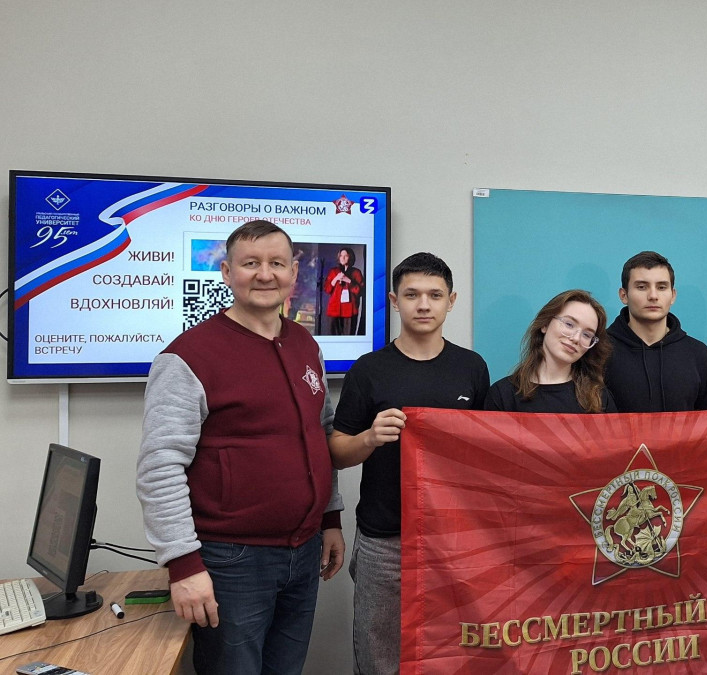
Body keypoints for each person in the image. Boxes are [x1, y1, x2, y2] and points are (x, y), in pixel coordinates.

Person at [137, 220, 345, 675]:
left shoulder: (305, 344)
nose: (265, 274)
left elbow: (320, 434)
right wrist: (182, 565)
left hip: (304, 550)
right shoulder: (188, 356)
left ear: (294, 273)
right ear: (228, 273)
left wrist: (330, 518)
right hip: (231, 562)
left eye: (276, 263)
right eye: (251, 263)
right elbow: (160, 467)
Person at [330, 252, 489, 675]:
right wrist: (369, 437)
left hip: (453, 536)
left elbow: (486, 451)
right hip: (385, 537)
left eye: (434, 295)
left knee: (453, 651)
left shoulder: (472, 368)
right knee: (380, 655)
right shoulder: (369, 370)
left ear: (451, 301)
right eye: (412, 294)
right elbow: (337, 452)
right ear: (394, 301)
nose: (423, 305)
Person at [604, 251, 707, 412]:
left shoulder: (698, 354)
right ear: (624, 295)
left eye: (661, 287)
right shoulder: (599, 351)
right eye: (642, 287)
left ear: (673, 295)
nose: (653, 296)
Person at [485, 289, 617, 413]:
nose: (576, 338)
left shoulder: (598, 397)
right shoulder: (502, 394)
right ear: (545, 324)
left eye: (587, 335)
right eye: (569, 324)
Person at [323, 246, 364, 335]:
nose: (343, 258)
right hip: (334, 310)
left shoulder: (356, 272)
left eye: (346, 256)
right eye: (341, 255)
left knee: (348, 335)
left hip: (349, 311)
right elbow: (327, 289)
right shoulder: (333, 271)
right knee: (333, 336)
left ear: (350, 257)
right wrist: (336, 278)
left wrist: (348, 280)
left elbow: (360, 291)